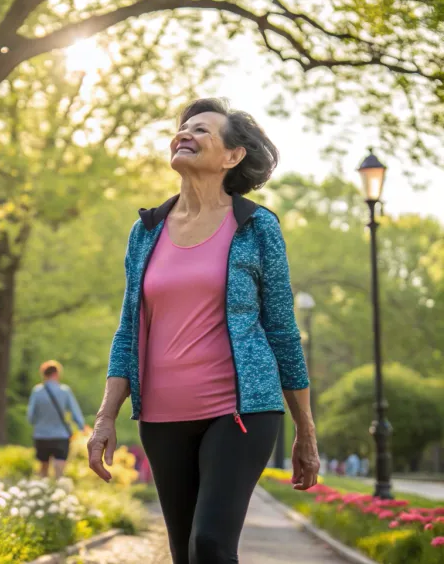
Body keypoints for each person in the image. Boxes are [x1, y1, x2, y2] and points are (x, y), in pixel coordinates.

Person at [86, 98, 320, 564]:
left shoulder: (256, 228)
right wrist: (105, 416)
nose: (185, 135)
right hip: (162, 415)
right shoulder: (146, 231)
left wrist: (306, 430)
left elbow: (282, 330)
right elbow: (128, 330)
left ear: (232, 157)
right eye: (183, 129)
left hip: (241, 411)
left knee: (211, 544)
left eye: (202, 131)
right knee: (183, 552)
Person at [27, 360, 87, 479]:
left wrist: (39, 422)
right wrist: (81, 426)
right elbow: (75, 412)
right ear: (57, 374)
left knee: (43, 469)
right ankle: (59, 492)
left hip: (41, 435)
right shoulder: (65, 391)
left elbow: (30, 417)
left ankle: (42, 493)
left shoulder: (37, 391)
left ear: (44, 374)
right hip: (61, 436)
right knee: (59, 469)